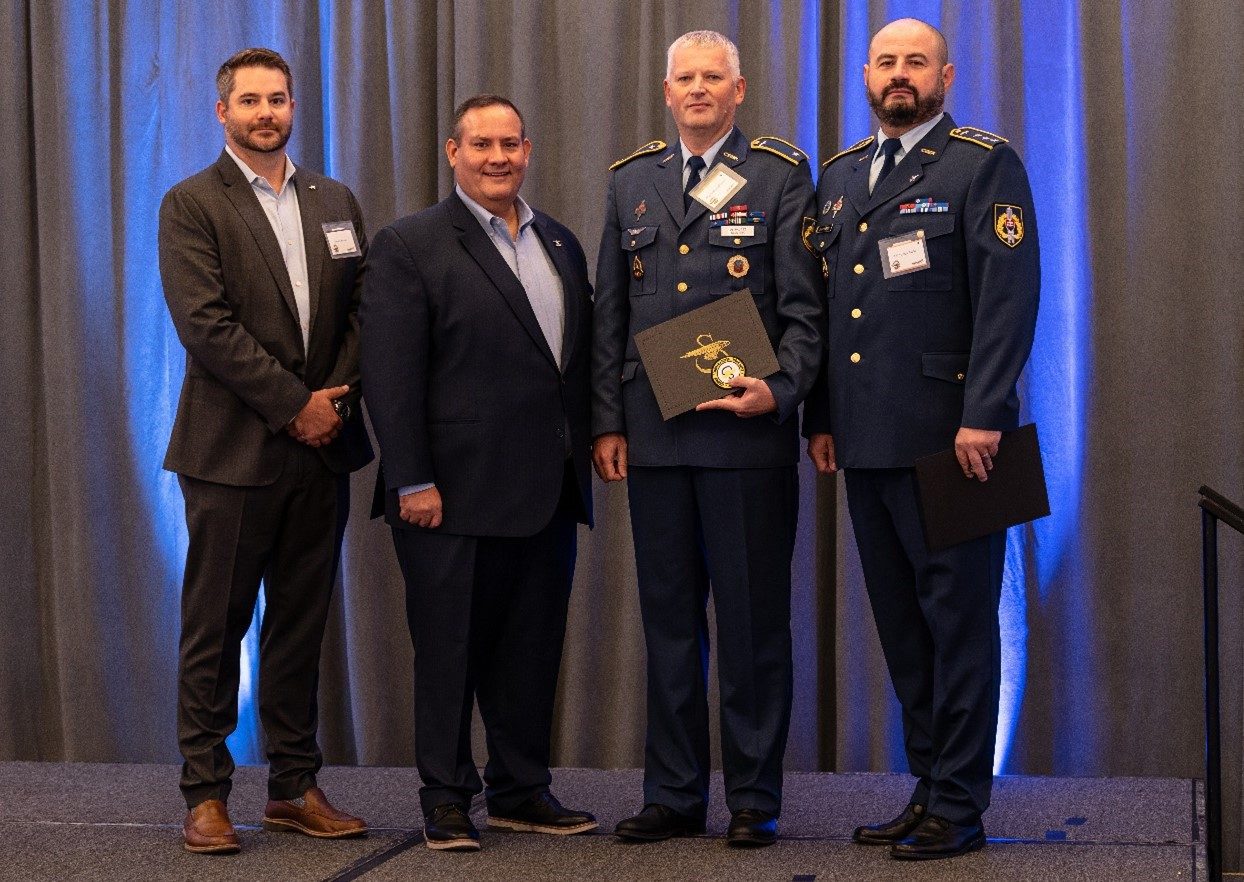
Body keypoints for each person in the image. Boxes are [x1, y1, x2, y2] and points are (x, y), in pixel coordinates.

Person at [804, 18, 1040, 860]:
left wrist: (985, 410)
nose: (900, 75)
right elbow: (834, 314)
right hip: (866, 439)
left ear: (945, 73)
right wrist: (821, 416)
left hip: (957, 439)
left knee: (960, 624)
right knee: (904, 628)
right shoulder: (837, 179)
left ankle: (962, 806)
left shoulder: (983, 164)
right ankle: (929, 785)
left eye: (916, 62)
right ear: (866, 74)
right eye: (887, 62)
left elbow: (1008, 299)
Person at [592, 30, 823, 848]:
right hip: (654, 438)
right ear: (666, 91)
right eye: (684, 78)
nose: (697, 89)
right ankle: (675, 792)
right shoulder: (631, 181)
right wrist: (608, 422)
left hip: (745, 436)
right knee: (667, 625)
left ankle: (755, 797)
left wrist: (784, 389)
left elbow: (804, 310)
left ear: (739, 89)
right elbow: (610, 313)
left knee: (755, 625)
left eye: (712, 78)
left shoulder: (780, 175)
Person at [359, 95, 597, 852]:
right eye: (481, 145)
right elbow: (390, 378)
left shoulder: (560, 242)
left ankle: (523, 790)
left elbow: (570, 367)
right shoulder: (410, 244)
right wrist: (410, 480)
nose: (498, 158)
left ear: (528, 150)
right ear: (452, 152)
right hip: (447, 495)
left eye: (510, 144)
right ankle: (447, 796)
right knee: (450, 652)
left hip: (546, 493)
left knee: (531, 651)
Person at [158, 47, 373, 854]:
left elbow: (361, 312)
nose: (264, 113)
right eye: (248, 101)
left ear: (293, 107)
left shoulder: (334, 199)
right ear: (222, 112)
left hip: (323, 449)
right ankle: (205, 794)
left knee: (300, 625)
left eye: (277, 99)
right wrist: (293, 407)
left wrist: (331, 404)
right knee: (215, 629)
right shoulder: (191, 204)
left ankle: (293, 785)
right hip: (231, 453)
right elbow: (204, 324)